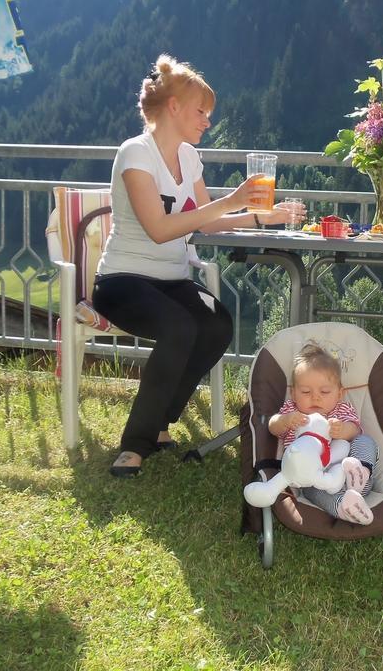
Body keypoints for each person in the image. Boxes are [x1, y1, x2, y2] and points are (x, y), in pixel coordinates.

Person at [94, 54, 304, 477]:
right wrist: (233, 201)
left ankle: (158, 422)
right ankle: (135, 444)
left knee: (217, 325)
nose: (207, 120)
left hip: (171, 281)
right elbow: (158, 229)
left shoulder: (189, 157)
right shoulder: (135, 154)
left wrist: (263, 216)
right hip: (122, 280)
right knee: (181, 326)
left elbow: (205, 218)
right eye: (201, 111)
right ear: (173, 107)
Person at [268, 343, 378, 525]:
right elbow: (272, 426)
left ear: (339, 393)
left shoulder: (341, 410)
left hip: (348, 470)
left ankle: (362, 472)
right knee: (313, 493)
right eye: (305, 392)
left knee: (364, 440)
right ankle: (344, 505)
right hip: (314, 478)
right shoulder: (292, 411)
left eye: (325, 391)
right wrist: (285, 420)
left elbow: (355, 430)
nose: (316, 397)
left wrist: (343, 430)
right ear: (293, 394)